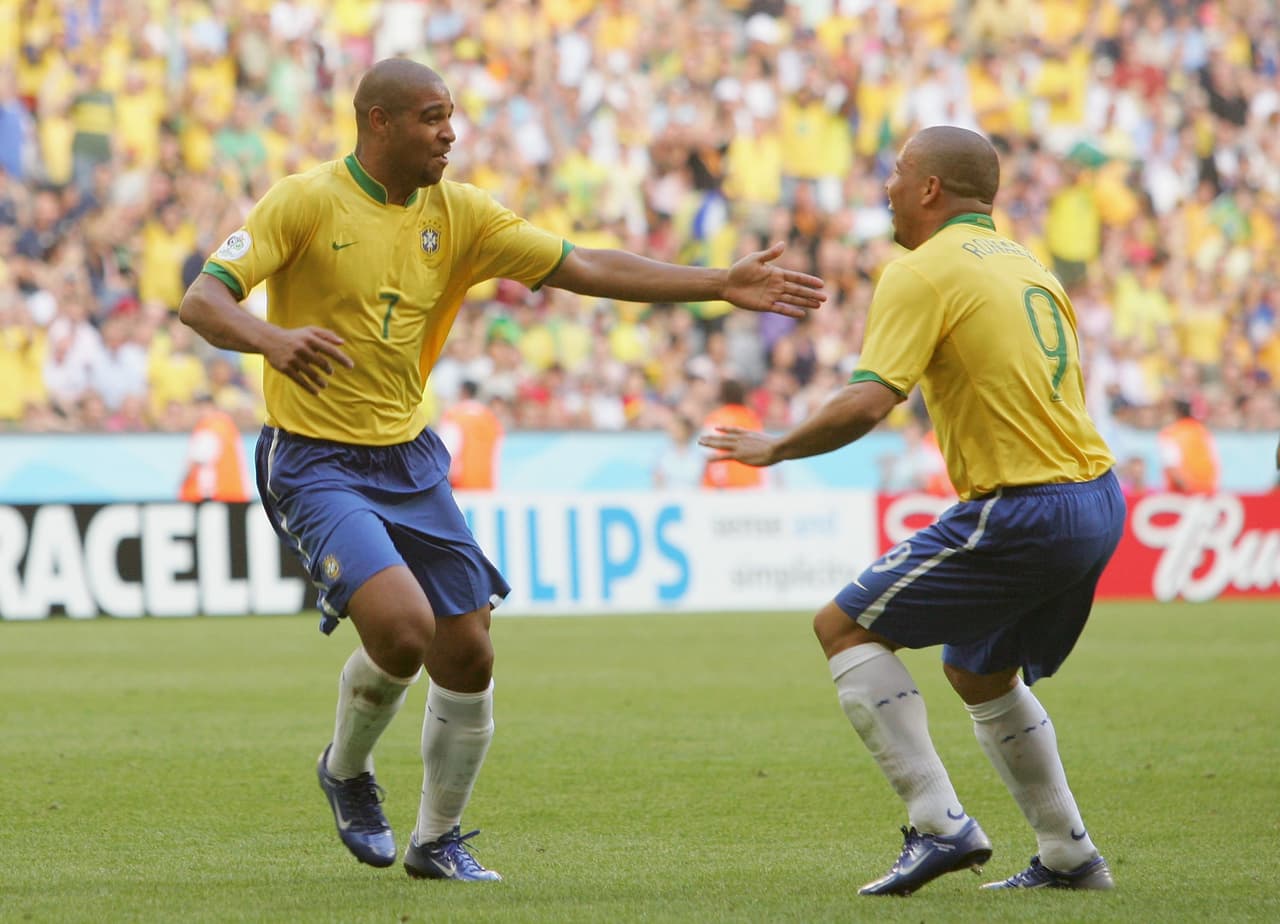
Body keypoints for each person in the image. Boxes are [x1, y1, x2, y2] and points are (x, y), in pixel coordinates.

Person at [177, 57, 825, 882]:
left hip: (409, 457)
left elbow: (583, 265)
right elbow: (204, 299)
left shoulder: (464, 215)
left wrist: (714, 283)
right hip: (313, 459)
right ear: (377, 123)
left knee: (469, 653)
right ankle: (345, 770)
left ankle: (436, 839)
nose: (449, 132)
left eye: (451, 116)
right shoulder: (303, 200)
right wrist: (274, 340)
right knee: (404, 631)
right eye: (429, 117)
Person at [700, 125, 1122, 896]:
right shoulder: (1029, 265)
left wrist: (778, 447)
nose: (887, 188)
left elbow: (868, 401)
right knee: (978, 668)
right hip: (1096, 498)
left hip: (1025, 504)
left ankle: (940, 825)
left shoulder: (923, 270)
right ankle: (1069, 854)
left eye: (898, 174)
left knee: (842, 626)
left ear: (929, 189)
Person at [701, 378, 766, 489]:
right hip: (749, 483)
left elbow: (708, 451)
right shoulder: (752, 418)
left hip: (721, 485)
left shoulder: (716, 418)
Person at [437, 380, 502, 491]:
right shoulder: (490, 418)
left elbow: (446, 451)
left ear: (463, 392)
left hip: (460, 483)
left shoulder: (454, 415)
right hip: (486, 483)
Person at [1155, 396, 1220, 494]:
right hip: (1207, 492)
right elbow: (1214, 462)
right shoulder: (1202, 431)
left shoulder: (1170, 433)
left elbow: (1171, 466)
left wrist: (1190, 492)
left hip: (1181, 494)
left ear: (1176, 412)